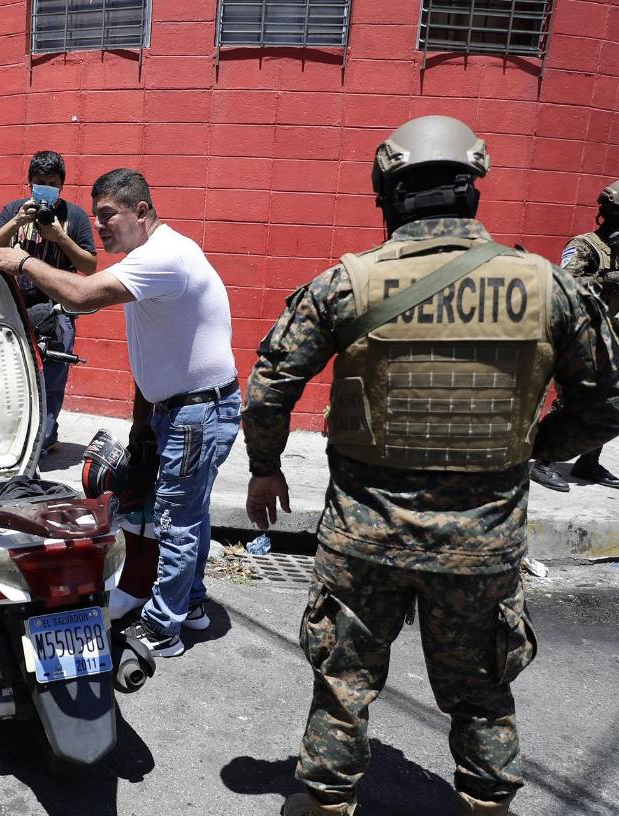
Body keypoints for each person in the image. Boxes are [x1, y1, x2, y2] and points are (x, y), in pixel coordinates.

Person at [242, 116, 619, 816]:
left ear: (388, 195)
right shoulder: (549, 288)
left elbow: (268, 389)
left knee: (344, 684)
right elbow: (606, 405)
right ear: (472, 191)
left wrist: (265, 467)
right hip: (482, 545)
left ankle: (325, 803)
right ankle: (484, 804)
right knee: (480, 693)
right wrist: (533, 445)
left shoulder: (346, 284)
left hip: (365, 540)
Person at [0, 168, 239, 658]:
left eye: (107, 216)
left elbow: (80, 294)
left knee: (175, 521)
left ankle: (163, 630)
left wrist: (23, 262)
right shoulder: (149, 256)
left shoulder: (163, 257)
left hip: (198, 413)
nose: (99, 227)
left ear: (141, 212)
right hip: (180, 408)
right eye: (95, 216)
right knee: (190, 513)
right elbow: (158, 351)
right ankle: (193, 604)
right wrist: (142, 421)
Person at [0, 150, 96, 452]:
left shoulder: (76, 217)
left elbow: (89, 266)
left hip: (58, 311)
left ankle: (43, 440)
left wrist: (60, 237)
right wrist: (16, 223)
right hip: (14, 309)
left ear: (62, 185)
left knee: (53, 381)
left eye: (52, 183)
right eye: (39, 182)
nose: (45, 187)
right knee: (8, 374)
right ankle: (10, 437)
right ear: (29, 183)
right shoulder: (14, 210)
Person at [530, 179, 619, 492]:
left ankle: (588, 462)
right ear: (608, 213)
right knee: (574, 403)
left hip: (614, 337)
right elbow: (565, 285)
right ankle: (544, 461)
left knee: (613, 404)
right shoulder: (584, 246)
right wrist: (609, 278)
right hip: (585, 338)